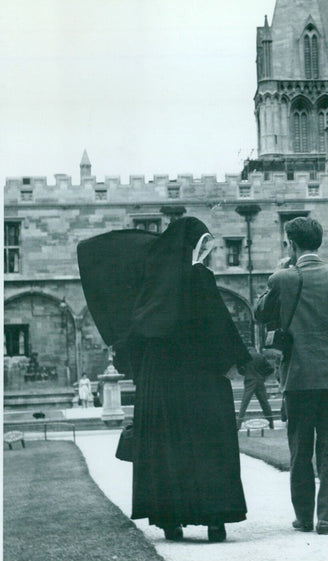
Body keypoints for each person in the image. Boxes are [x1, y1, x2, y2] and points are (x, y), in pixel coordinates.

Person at [78, 216, 250, 543]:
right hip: (200, 380)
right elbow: (220, 328)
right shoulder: (199, 279)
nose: (208, 257)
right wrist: (241, 361)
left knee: (166, 448)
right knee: (207, 447)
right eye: (205, 249)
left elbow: (133, 339)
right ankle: (214, 520)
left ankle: (170, 520)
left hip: (160, 382)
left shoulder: (152, 286)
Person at [254, 216, 328, 536]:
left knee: (300, 451)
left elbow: (261, 314)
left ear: (291, 243)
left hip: (298, 378)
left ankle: (303, 517)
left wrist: (278, 271)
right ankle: (326, 517)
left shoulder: (282, 278)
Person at [236, 349, 276, 430]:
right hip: (260, 380)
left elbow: (240, 369)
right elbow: (270, 369)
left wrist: (246, 373)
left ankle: (238, 425)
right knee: (265, 403)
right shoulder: (260, 356)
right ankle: (271, 424)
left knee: (244, 403)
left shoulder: (245, 356)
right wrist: (263, 375)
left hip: (249, 380)